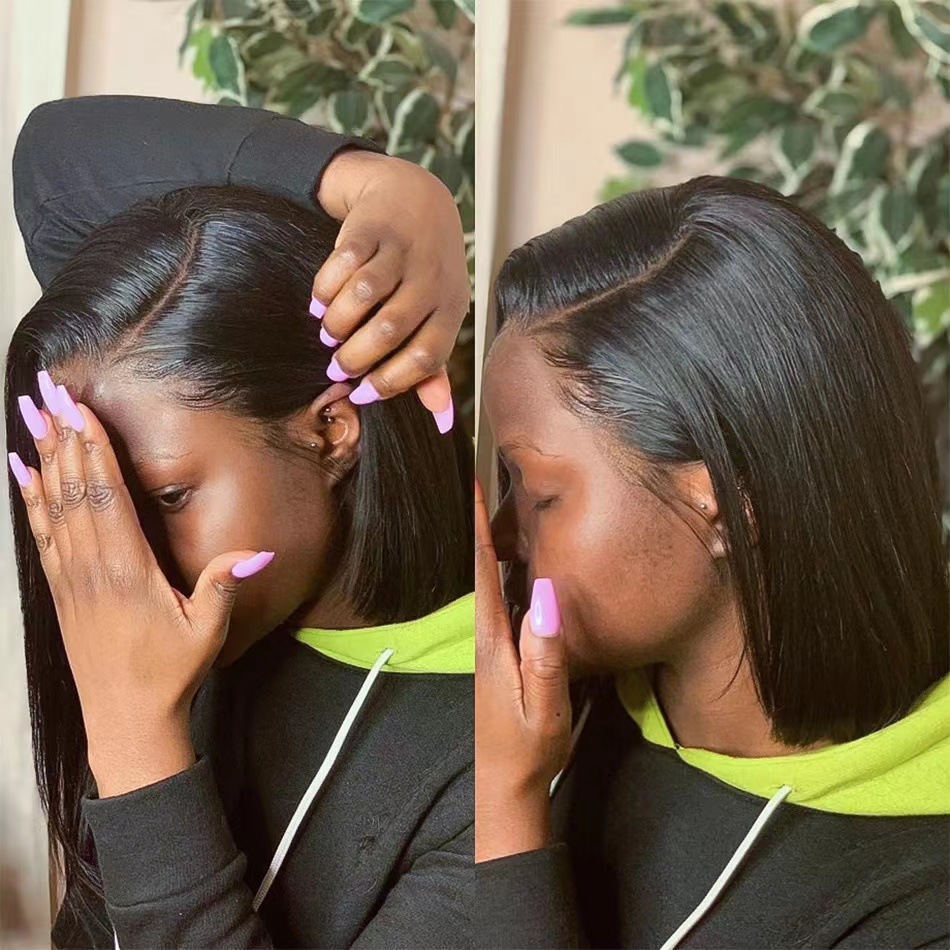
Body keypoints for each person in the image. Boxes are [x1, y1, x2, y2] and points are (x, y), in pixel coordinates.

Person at [9, 99, 474, 950]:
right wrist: (378, 182)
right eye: (92, 494)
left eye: (168, 497)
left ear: (331, 432)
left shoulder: (505, 754)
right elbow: (52, 163)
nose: (122, 561)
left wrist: (136, 735)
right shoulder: (206, 632)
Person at [475, 175, 949, 948]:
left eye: (538, 493)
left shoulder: (920, 901)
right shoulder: (548, 705)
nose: (501, 535)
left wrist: (508, 799)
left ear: (727, 501)